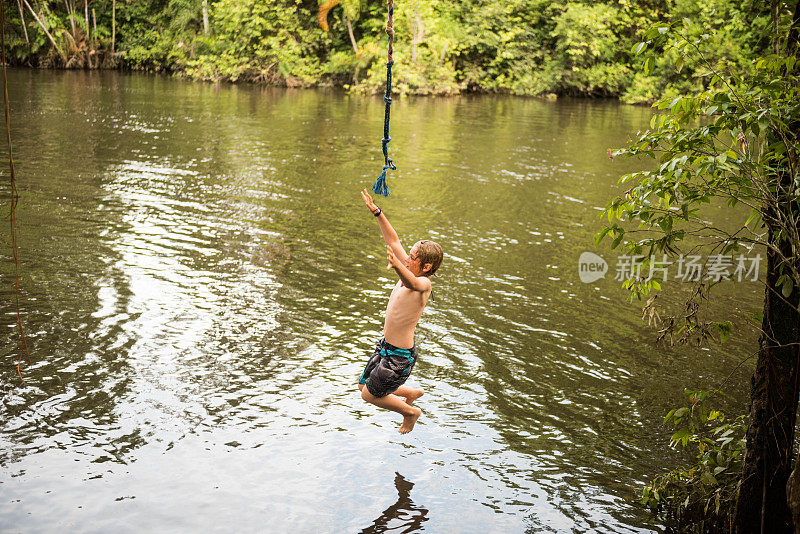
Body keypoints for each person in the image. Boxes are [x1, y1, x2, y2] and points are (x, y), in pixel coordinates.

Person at [358, 189, 443, 434]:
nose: (407, 258)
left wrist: (397, 265)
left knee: (369, 396)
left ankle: (411, 412)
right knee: (364, 385)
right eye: (408, 256)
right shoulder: (409, 269)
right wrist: (377, 212)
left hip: (400, 357)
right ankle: (411, 393)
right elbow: (393, 241)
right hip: (385, 346)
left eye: (412, 258)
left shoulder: (423, 284)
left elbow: (411, 282)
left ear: (426, 266)